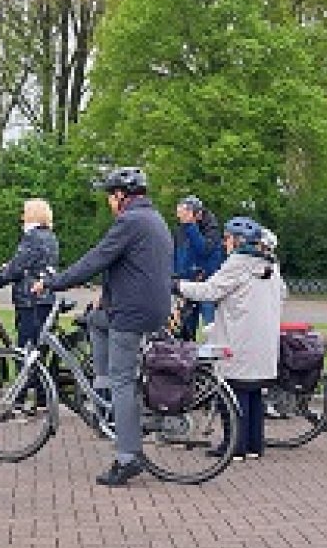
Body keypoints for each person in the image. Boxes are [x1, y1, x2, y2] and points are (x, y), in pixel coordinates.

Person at [32, 167, 172, 487]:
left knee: (123, 381)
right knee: (94, 320)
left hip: (132, 314)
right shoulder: (153, 219)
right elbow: (130, 268)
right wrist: (105, 297)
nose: (110, 203)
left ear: (121, 196)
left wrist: (53, 283)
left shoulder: (129, 221)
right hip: (147, 306)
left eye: (111, 196)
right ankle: (103, 384)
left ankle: (127, 458)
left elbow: (96, 260)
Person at [177, 217, 281, 462]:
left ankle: (234, 445)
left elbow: (211, 291)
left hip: (239, 338)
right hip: (263, 339)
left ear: (238, 240)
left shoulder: (239, 263)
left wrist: (179, 286)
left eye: (227, 238)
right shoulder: (272, 265)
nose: (225, 243)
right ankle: (255, 445)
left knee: (234, 391)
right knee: (254, 391)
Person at [0, 198, 59, 413]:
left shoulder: (32, 237)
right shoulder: (50, 237)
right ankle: (42, 398)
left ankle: (18, 399)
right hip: (46, 299)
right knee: (39, 351)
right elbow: (31, 264)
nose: (21, 216)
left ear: (33, 215)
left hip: (30, 300)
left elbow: (18, 268)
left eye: (24, 212)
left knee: (25, 351)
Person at [172, 195, 223, 341]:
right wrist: (174, 277)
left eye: (184, 213)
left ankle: (213, 358)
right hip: (187, 285)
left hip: (207, 285)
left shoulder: (211, 230)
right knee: (185, 328)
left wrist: (191, 226)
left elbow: (203, 250)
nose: (181, 218)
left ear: (197, 214)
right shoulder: (181, 230)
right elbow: (177, 255)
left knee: (210, 328)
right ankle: (185, 356)